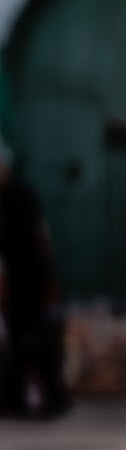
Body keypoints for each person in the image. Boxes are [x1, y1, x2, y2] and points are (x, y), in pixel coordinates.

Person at [0, 142, 71, 418]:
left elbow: (37, 242)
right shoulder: (9, 198)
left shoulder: (21, 198)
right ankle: (15, 399)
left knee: (38, 343)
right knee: (18, 343)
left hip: (33, 282)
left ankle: (52, 397)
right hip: (17, 283)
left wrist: (47, 286)